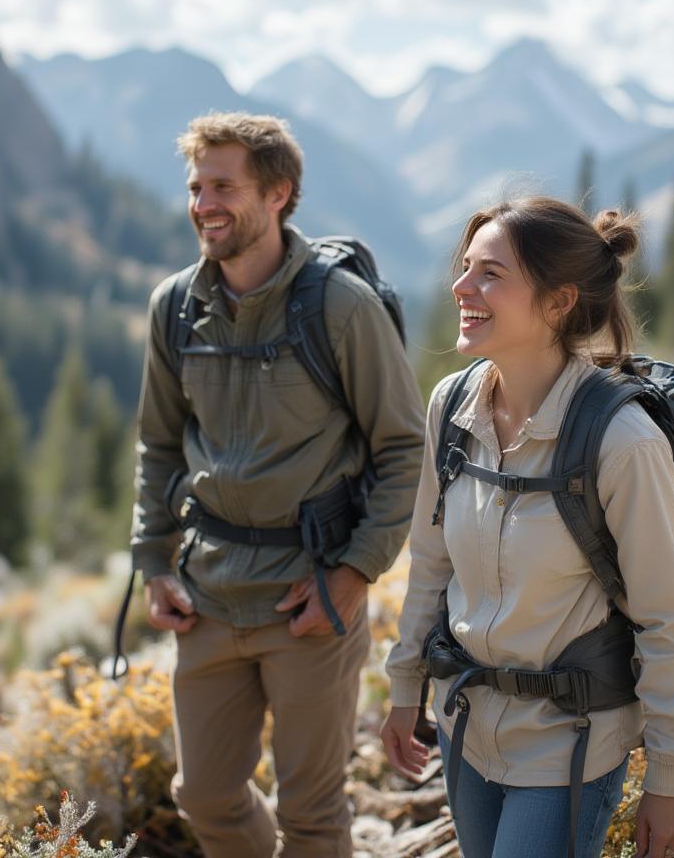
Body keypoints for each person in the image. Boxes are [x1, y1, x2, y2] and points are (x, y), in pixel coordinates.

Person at [131, 111, 425, 858]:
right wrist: (153, 561)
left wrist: (356, 574)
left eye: (223, 186)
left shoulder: (340, 307)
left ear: (279, 193)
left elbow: (402, 446)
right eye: (196, 186)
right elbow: (159, 444)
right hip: (207, 596)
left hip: (311, 602)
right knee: (204, 797)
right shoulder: (175, 308)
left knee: (314, 816)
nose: (203, 203)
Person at [381, 197, 674, 858]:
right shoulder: (452, 405)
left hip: (571, 743)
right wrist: (404, 686)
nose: (461, 287)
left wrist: (671, 780)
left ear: (559, 302)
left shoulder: (622, 439)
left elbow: (668, 619)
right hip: (465, 724)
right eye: (466, 268)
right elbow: (431, 559)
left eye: (491, 274)